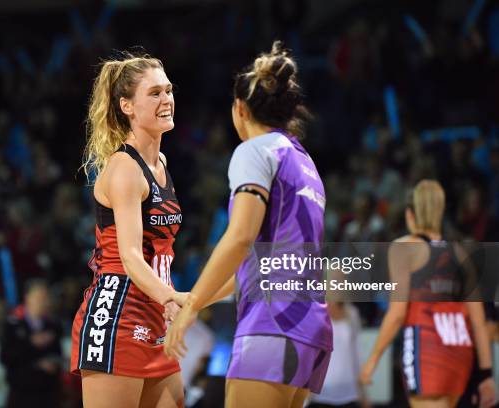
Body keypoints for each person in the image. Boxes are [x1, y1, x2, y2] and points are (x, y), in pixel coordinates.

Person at [164, 41, 333, 408]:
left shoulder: (254, 151)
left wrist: (192, 306)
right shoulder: (305, 164)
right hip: (310, 329)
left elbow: (240, 237)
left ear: (240, 109)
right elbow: (255, 264)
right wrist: (198, 296)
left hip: (272, 322)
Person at [69, 51, 184, 408]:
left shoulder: (161, 163)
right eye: (154, 93)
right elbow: (132, 257)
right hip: (116, 316)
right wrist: (173, 297)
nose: (166, 100)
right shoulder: (125, 169)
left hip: (153, 316)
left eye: (168, 91)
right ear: (127, 106)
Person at [359, 180, 496, 408]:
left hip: (427, 348)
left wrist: (372, 360)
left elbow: (396, 314)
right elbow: (479, 321)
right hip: (460, 351)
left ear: (410, 214)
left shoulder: (404, 248)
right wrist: (486, 374)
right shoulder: (461, 253)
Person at [0, 279, 62, 408]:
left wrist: (52, 363)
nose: (43, 302)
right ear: (27, 297)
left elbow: (58, 356)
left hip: (47, 395)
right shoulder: (12, 324)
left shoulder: (53, 326)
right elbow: (5, 357)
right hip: (21, 394)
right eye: (39, 297)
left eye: (45, 298)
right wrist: (30, 343)